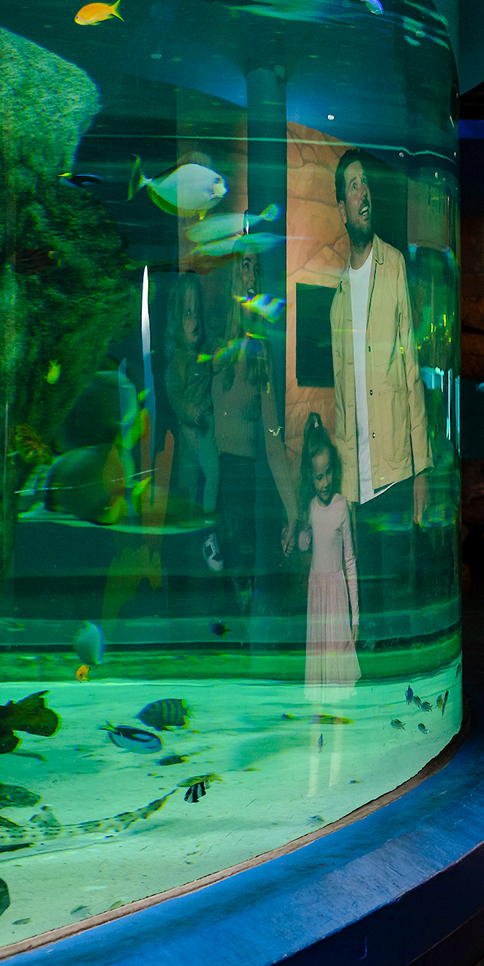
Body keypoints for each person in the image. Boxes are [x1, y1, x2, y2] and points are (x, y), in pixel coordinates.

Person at [329, 147, 431, 647]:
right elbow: (341, 403)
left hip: (395, 471)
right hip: (356, 481)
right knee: (362, 601)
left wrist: (421, 471)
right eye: (352, 184)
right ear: (342, 205)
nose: (363, 191)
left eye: (366, 182)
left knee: (399, 597)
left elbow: (411, 373)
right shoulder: (336, 295)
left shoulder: (394, 267)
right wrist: (341, 484)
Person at [210, 246, 297, 621]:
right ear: (233, 273)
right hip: (207, 484)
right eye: (244, 265)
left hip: (240, 488)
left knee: (236, 603)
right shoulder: (214, 343)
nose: (251, 274)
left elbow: (274, 439)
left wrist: (293, 512)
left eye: (255, 268)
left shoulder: (261, 354)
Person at [296, 412, 361, 702]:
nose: (325, 482)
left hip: (336, 592)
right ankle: (320, 718)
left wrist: (356, 617)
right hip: (316, 591)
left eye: (329, 473)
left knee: (337, 661)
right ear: (310, 477)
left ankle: (339, 721)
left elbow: (350, 561)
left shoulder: (341, 506)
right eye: (318, 476)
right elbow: (302, 546)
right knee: (321, 657)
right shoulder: (309, 506)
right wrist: (302, 533)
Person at [163, 274, 222, 569]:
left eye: (196, 311)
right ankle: (191, 536)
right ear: (177, 319)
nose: (194, 319)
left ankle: (208, 534)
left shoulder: (201, 355)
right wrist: (188, 410)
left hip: (207, 426)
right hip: (189, 429)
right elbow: (173, 393)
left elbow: (217, 363)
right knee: (187, 482)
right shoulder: (177, 361)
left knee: (213, 475)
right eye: (187, 313)